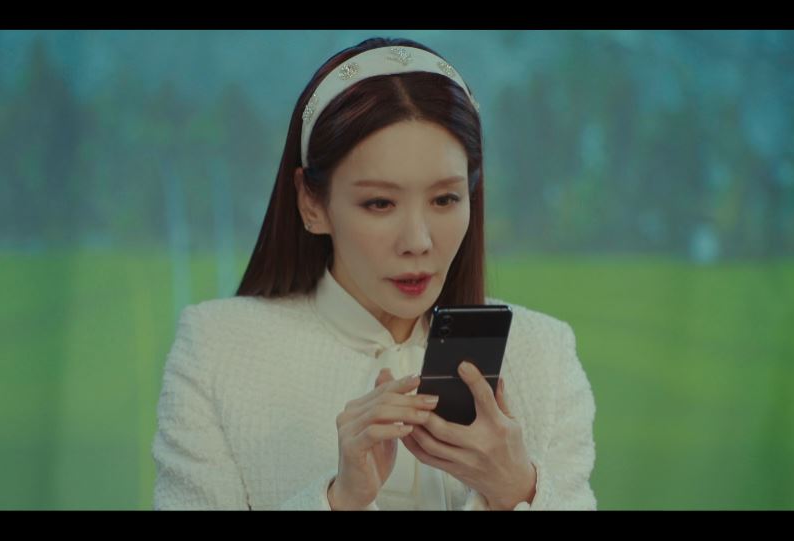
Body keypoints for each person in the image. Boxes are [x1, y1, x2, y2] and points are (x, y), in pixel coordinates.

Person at [151, 36, 597, 510]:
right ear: (311, 202)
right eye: (380, 203)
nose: (417, 241)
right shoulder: (217, 351)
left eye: (445, 199)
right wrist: (338, 501)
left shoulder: (544, 355)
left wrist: (516, 490)